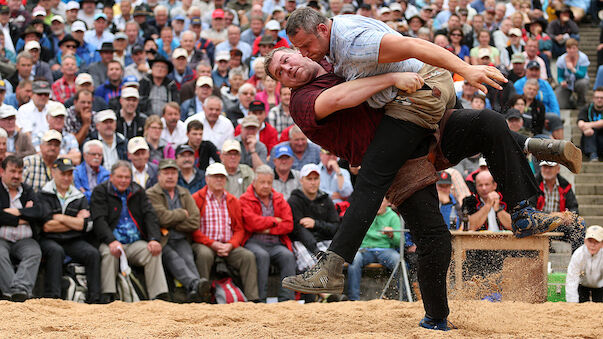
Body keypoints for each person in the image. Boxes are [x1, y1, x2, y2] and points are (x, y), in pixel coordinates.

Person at [265, 49, 576, 330]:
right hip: (392, 160)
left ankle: (523, 207)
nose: (287, 69)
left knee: (489, 122)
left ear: (299, 51)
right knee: (434, 240)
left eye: (286, 60)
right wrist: (394, 77)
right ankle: (436, 318)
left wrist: (449, 70)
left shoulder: (334, 61)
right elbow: (341, 97)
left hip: (421, 127)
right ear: (283, 84)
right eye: (279, 72)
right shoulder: (302, 101)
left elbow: (396, 49)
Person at [91, 160, 169, 302]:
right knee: (109, 253)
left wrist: (154, 239)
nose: (123, 180)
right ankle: (108, 296)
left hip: (134, 243)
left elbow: (150, 215)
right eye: (120, 177)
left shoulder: (137, 190)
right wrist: (111, 241)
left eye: (127, 177)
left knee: (153, 251)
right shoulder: (100, 191)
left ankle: (158, 297)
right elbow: (99, 221)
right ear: (111, 177)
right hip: (110, 241)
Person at [191, 162, 259, 301]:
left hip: (228, 245)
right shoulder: (196, 199)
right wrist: (212, 244)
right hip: (205, 244)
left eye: (222, 177)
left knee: (247, 256)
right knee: (204, 255)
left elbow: (239, 229)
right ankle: (203, 297)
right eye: (215, 177)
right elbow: (193, 229)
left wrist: (231, 245)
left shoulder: (233, 200)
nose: (219, 180)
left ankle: (253, 298)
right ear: (207, 179)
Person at [37, 158, 101, 303]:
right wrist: (75, 222)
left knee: (93, 254)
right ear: (53, 172)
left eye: (69, 174)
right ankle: (53, 298)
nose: (67, 178)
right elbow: (46, 226)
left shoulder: (79, 195)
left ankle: (95, 299)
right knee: (55, 251)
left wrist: (59, 217)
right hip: (49, 239)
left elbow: (86, 225)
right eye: (63, 174)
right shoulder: (43, 194)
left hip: (73, 240)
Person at [146, 159, 210, 302]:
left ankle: (195, 289)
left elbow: (194, 221)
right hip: (163, 239)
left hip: (181, 238)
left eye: (173, 173)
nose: (170, 176)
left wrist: (172, 222)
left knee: (188, 258)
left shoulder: (184, 192)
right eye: (166, 173)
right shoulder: (151, 193)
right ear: (159, 176)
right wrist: (182, 214)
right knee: (173, 258)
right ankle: (196, 286)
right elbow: (161, 218)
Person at [240, 164, 295, 302]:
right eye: (262, 182)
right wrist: (273, 220)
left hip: (276, 242)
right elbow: (251, 223)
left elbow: (288, 224)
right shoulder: (245, 199)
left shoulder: (278, 198)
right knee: (262, 256)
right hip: (253, 242)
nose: (266, 185)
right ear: (254, 182)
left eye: (269, 182)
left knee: (288, 256)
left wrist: (268, 228)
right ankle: (260, 299)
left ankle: (287, 299)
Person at [0, 155, 43, 301]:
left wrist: (12, 213)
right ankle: (14, 293)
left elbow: (38, 212)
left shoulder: (27, 190)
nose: (16, 176)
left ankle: (19, 291)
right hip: (2, 238)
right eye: (12, 171)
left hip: (25, 239)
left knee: (34, 253)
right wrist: (24, 214)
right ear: (2, 171)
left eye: (19, 172)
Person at [347, 198, 401, 301]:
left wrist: (392, 235)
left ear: (388, 203)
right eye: (376, 201)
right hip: (365, 249)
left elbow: (400, 242)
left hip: (386, 250)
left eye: (381, 201)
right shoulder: (364, 214)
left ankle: (403, 298)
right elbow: (353, 236)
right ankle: (353, 299)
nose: (378, 204)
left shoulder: (393, 217)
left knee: (397, 260)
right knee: (354, 259)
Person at [287, 163, 339, 268]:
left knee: (337, 263)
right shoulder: (294, 200)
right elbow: (297, 230)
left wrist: (315, 224)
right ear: (301, 180)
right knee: (313, 265)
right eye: (309, 179)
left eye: (316, 179)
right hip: (301, 242)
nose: (313, 182)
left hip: (325, 240)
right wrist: (316, 251)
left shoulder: (326, 199)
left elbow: (336, 227)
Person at [534, 161, 583, 252]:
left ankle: (576, 260)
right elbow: (529, 209)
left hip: (559, 223)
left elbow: (574, 207)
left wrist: (569, 215)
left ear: (558, 169)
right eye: (545, 167)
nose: (547, 170)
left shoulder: (564, 184)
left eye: (550, 167)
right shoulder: (534, 183)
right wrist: (552, 215)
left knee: (580, 225)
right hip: (539, 223)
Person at [565, 225, 603, 303]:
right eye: (590, 241)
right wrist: (572, 303)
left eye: (596, 242)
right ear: (585, 241)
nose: (593, 245)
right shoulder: (578, 254)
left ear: (602, 243)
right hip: (582, 286)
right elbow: (572, 279)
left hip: (600, 287)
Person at [555, 39, 589, 109]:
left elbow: (582, 74)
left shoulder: (583, 57)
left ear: (577, 48)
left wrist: (573, 69)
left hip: (579, 82)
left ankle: (581, 101)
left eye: (574, 48)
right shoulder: (561, 60)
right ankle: (571, 102)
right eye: (569, 48)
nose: (572, 51)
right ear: (566, 49)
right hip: (567, 84)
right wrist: (561, 82)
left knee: (583, 83)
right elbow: (559, 76)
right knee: (560, 105)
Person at [577, 88, 603, 161]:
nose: (599, 100)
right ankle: (593, 155)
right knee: (589, 131)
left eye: (602, 98)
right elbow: (580, 123)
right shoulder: (586, 109)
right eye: (597, 97)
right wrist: (586, 128)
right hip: (590, 141)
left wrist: (588, 125)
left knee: (590, 128)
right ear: (593, 98)